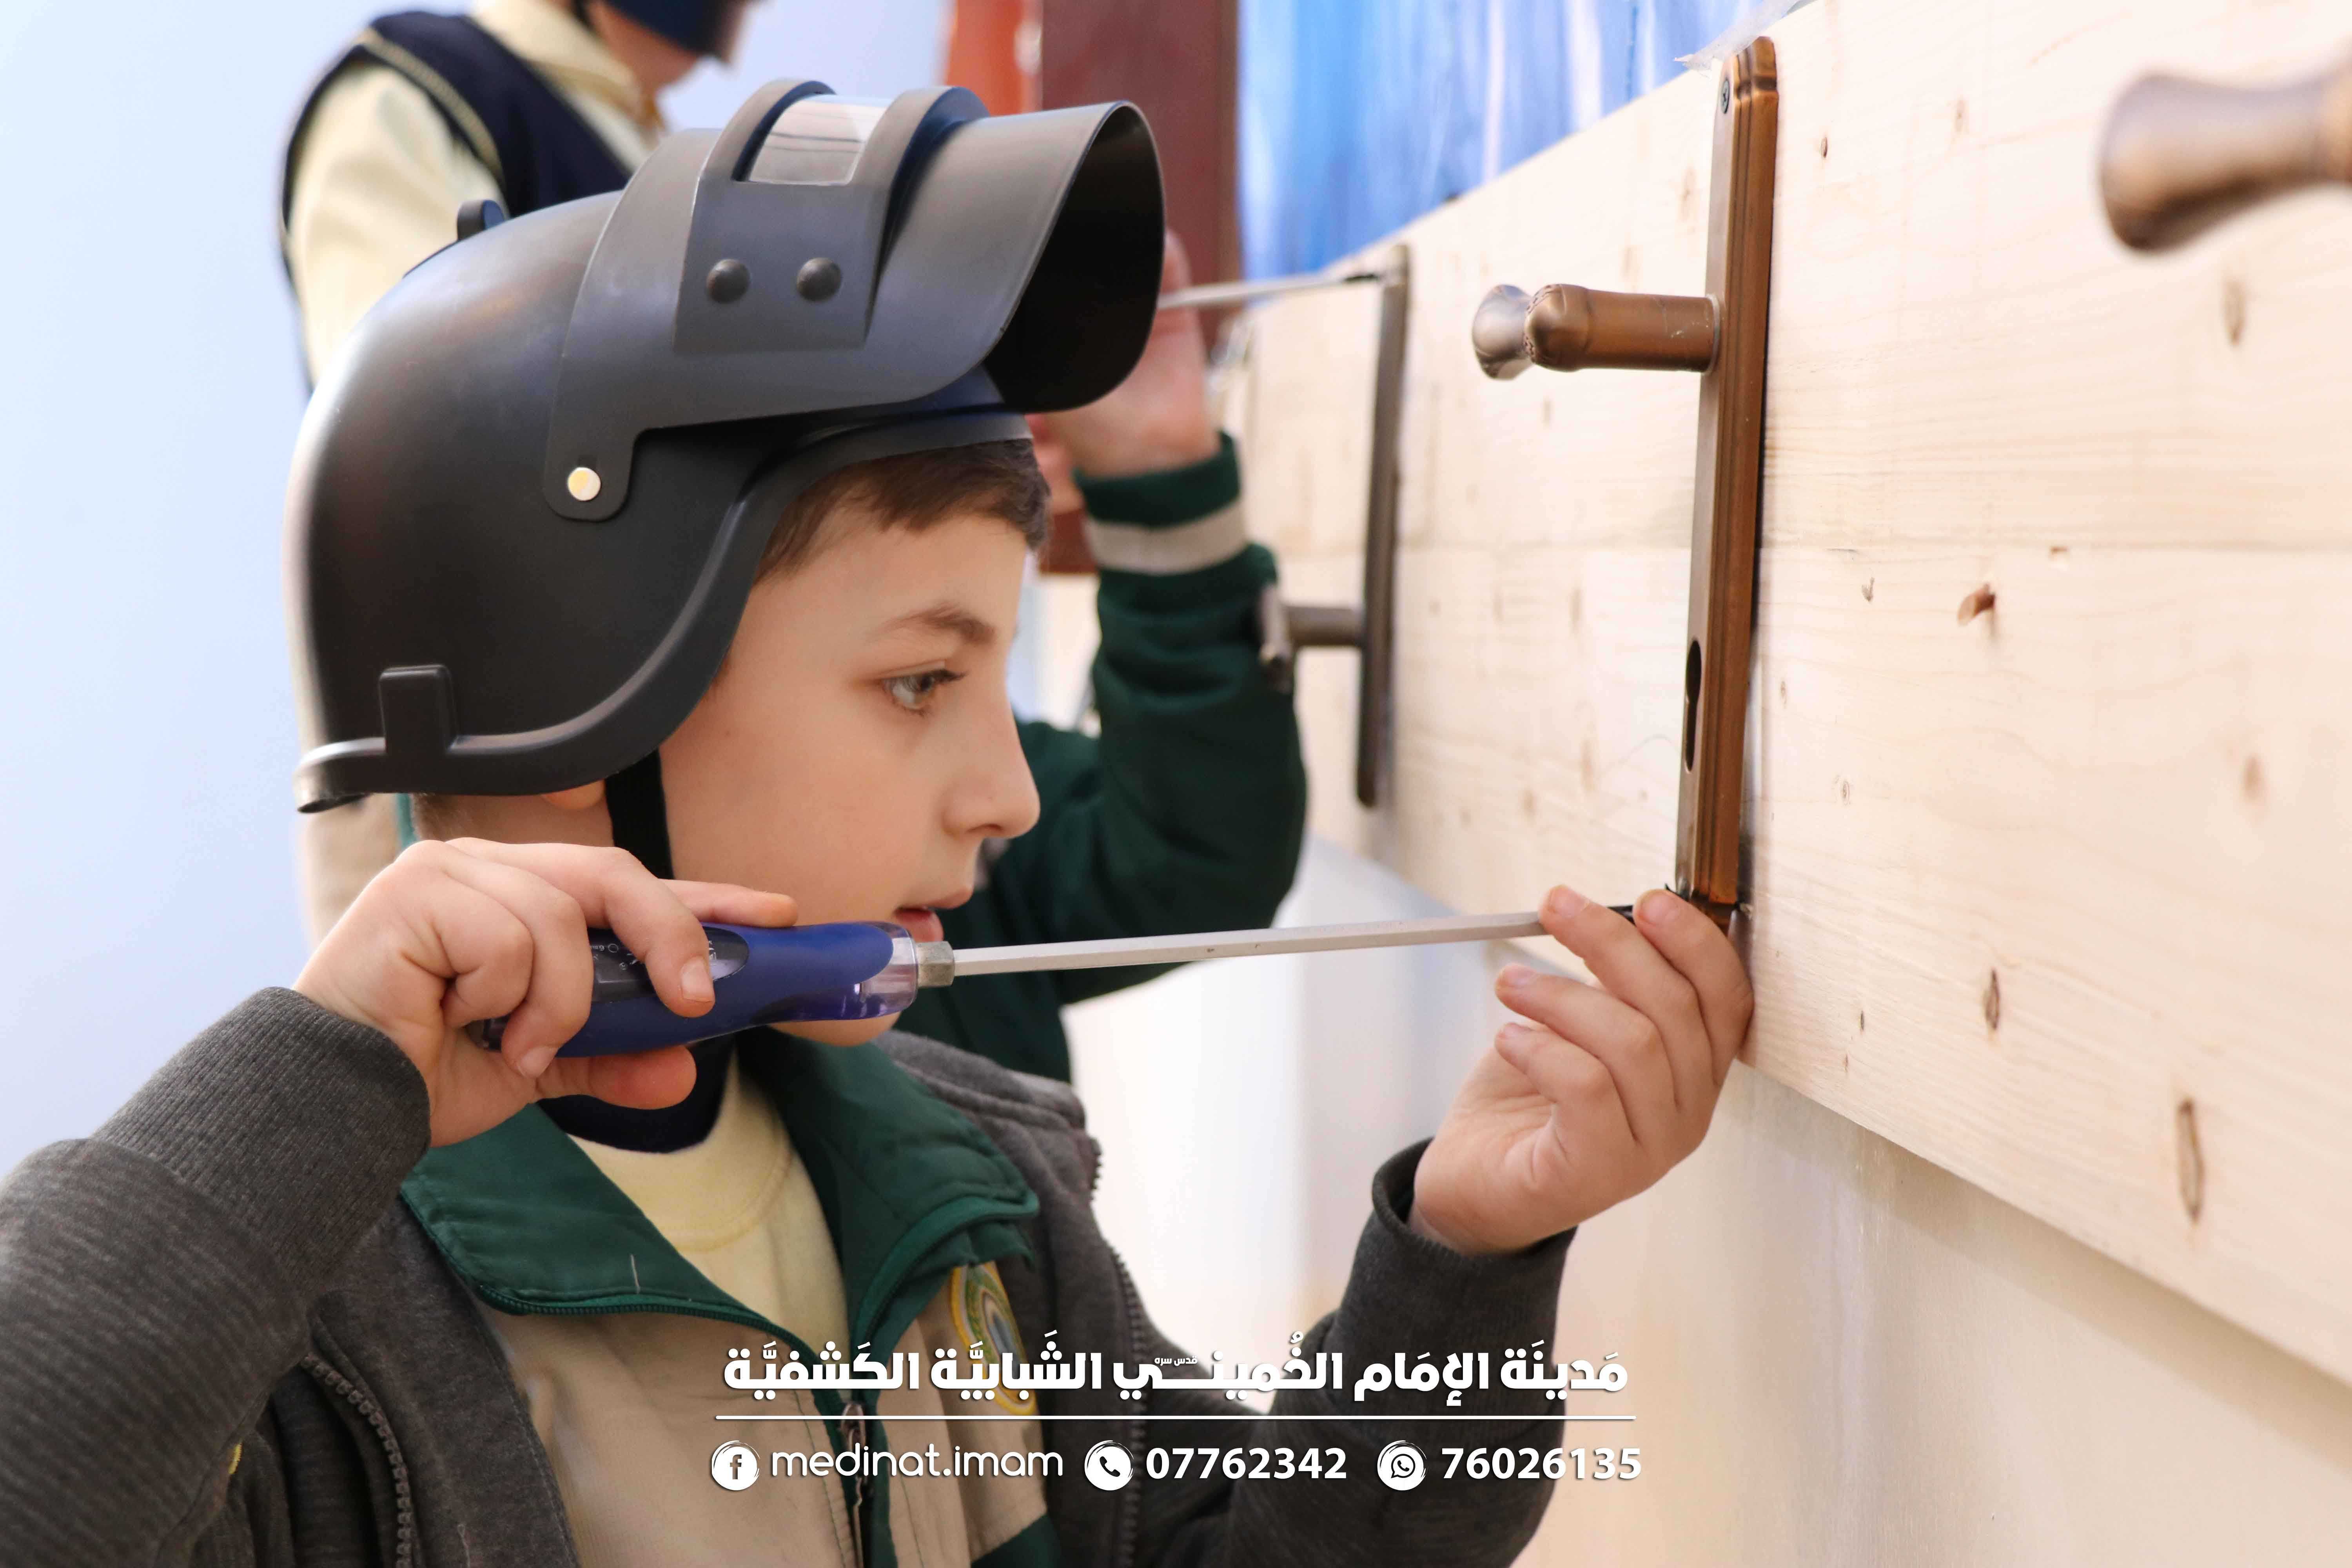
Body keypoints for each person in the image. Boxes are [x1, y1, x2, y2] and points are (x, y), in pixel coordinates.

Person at [0, 87, 1751, 1564]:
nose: (1010, 792)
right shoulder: (304, 1329)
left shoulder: (979, 1194)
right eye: (921, 680)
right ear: (583, 705)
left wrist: (1460, 1252)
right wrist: (316, 1085)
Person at [278, 0, 1306, 1083]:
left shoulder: (900, 858)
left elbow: (1188, 855)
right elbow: (454, 494)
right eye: (920, 682)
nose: (1012, 798)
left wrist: (1157, 473)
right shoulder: (423, 98)